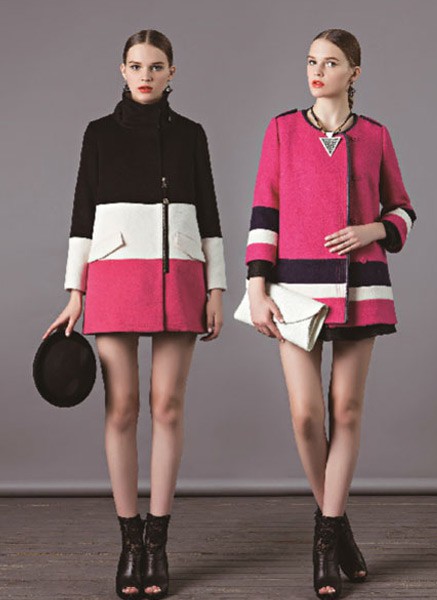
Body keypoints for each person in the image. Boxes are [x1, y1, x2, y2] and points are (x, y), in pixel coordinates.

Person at [43, 29, 226, 600]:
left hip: (181, 277)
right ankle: (129, 541)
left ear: (172, 72)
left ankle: (158, 541)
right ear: (122, 70)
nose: (145, 75)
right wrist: (75, 291)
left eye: (156, 66)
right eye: (136, 65)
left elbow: (210, 210)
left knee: (167, 406)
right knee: (121, 407)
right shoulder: (98, 133)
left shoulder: (191, 134)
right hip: (114, 277)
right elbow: (82, 212)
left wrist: (216, 286)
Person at [245, 28, 416, 599]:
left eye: (331, 62)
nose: (317, 71)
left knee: (345, 409)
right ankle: (338, 525)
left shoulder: (375, 136)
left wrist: (374, 229)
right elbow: (264, 209)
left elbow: (403, 210)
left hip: (362, 285)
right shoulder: (281, 130)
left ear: (354, 73)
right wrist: (256, 284)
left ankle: (323, 539)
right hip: (295, 288)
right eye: (312, 61)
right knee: (304, 415)